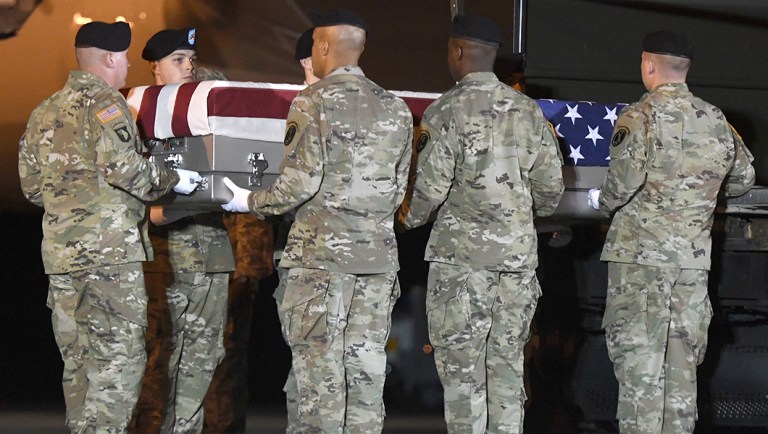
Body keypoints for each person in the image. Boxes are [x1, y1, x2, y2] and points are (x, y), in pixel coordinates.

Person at [221, 9, 413, 433]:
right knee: (365, 379)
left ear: (324, 46)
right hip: (376, 262)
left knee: (319, 382)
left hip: (321, 263)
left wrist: (247, 200)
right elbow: (398, 190)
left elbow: (297, 184)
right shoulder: (396, 108)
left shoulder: (313, 101)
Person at [17, 21, 201, 433]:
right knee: (118, 361)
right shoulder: (106, 105)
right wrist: (176, 180)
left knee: (80, 364)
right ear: (111, 58)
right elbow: (128, 172)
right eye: (124, 59)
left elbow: (32, 188)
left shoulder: (44, 110)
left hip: (62, 260)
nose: (127, 67)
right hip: (110, 257)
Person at [399, 15, 564, 434]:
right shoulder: (529, 112)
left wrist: (406, 219)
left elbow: (429, 190)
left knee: (463, 377)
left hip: (461, 266)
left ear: (457, 52)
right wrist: (517, 216)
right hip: (516, 263)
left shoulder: (445, 111)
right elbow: (550, 190)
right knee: (507, 372)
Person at [588, 31, 755, 433]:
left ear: (649, 65)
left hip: (640, 265)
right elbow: (744, 178)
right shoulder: (715, 119)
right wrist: (702, 191)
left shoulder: (640, 116)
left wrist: (600, 202)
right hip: (691, 268)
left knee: (641, 377)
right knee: (682, 380)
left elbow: (622, 184)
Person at [130, 28, 236, 434]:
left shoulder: (203, 107)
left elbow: (225, 92)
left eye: (191, 59)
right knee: (157, 359)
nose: (188, 67)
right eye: (178, 60)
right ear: (154, 67)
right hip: (164, 260)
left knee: (202, 359)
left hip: (209, 256)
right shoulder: (138, 114)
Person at [195, 66, 276, 434]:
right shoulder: (185, 146)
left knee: (222, 366)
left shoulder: (238, 152)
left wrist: (243, 281)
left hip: (229, 281)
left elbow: (252, 220)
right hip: (190, 275)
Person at [267, 26, 320, 434]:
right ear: (307, 60)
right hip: (304, 251)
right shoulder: (297, 108)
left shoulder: (310, 107)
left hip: (315, 253)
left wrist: (251, 202)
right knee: (311, 359)